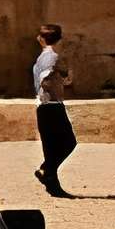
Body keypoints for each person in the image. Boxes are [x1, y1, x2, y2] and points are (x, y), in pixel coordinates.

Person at [30, 24, 76, 198]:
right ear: (59, 39)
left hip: (43, 106)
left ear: (41, 39)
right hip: (52, 106)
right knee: (69, 142)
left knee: (50, 147)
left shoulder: (40, 58)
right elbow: (46, 78)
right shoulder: (52, 57)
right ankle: (47, 169)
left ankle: (52, 184)